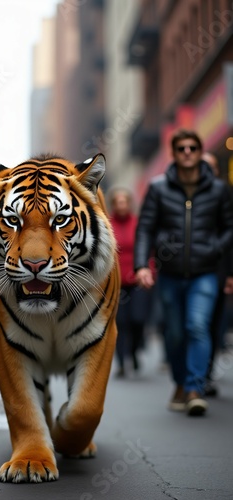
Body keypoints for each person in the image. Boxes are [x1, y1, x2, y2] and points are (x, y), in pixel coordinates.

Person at [134, 129, 233, 416]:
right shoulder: (158, 188)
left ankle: (194, 388)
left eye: (193, 148)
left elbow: (229, 227)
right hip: (170, 274)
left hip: (205, 272)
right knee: (175, 333)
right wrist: (142, 265)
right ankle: (179, 382)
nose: (187, 153)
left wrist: (217, 247)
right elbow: (146, 229)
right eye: (182, 149)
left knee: (197, 326)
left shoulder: (218, 189)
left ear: (200, 152)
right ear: (174, 154)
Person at [109, 188, 152, 377]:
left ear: (129, 203)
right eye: (118, 202)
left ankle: (134, 352)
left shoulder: (138, 224)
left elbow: (148, 250)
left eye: (124, 202)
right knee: (119, 323)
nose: (122, 205)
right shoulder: (106, 224)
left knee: (138, 319)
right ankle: (120, 362)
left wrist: (149, 272)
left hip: (137, 280)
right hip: (115, 282)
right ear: (113, 205)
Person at [201, 152, 233, 396]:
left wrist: (230, 274)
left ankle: (205, 374)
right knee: (193, 324)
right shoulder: (184, 192)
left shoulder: (224, 194)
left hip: (218, 270)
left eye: (210, 167)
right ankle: (191, 374)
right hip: (188, 271)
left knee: (213, 324)